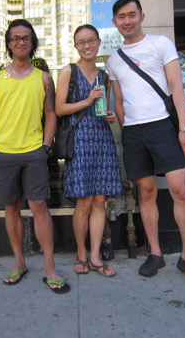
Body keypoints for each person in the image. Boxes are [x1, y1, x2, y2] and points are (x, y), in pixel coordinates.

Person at [106, 0, 185, 286]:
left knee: (180, 191)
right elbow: (119, 101)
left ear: (142, 16)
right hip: (134, 132)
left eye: (132, 15)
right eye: (121, 17)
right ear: (114, 22)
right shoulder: (114, 59)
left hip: (163, 127)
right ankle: (155, 253)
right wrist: (126, 130)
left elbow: (177, 86)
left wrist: (183, 128)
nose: (127, 21)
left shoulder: (161, 44)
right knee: (146, 193)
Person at [0, 19, 70, 294]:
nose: (21, 42)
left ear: (33, 43)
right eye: (15, 38)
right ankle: (19, 262)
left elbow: (51, 114)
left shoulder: (43, 78)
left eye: (26, 38)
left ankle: (49, 267)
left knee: (39, 206)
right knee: (11, 208)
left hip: (33, 153)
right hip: (3, 153)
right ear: (9, 43)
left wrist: (45, 147)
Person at [55, 24, 122, 277]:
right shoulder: (68, 72)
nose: (87, 46)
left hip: (101, 139)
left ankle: (95, 256)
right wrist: (87, 100)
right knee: (83, 201)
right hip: (80, 140)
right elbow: (59, 109)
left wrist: (109, 115)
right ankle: (81, 254)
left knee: (100, 200)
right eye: (81, 42)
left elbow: (101, 109)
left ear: (98, 42)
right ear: (76, 46)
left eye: (91, 41)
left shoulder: (104, 76)